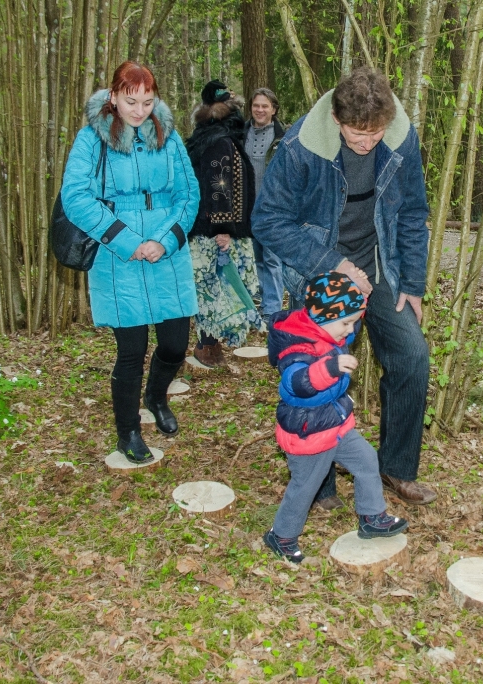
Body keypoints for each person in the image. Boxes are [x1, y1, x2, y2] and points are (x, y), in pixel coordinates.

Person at [253, 67, 435, 506]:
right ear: (337, 119)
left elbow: (412, 211)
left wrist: (412, 282)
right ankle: (320, 482)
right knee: (316, 373)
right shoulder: (300, 148)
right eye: (358, 133)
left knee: (413, 357)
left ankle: (396, 467)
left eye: (375, 133)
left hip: (381, 264)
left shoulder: (401, 137)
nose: (368, 142)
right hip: (320, 273)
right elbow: (267, 221)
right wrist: (332, 263)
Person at [61, 61, 199, 464]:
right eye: (131, 101)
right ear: (113, 97)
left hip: (166, 254)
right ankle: (128, 432)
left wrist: (167, 239)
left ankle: (156, 397)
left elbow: (189, 194)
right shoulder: (91, 140)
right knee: (131, 350)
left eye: (148, 101)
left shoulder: (169, 137)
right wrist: (127, 240)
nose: (139, 111)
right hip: (117, 256)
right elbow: (76, 198)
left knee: (174, 344)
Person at [263, 272, 409, 563]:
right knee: (306, 486)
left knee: (367, 459)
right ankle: (281, 535)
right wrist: (328, 369)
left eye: (352, 321)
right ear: (321, 317)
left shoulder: (329, 328)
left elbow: (346, 325)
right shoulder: (298, 346)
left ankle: (372, 517)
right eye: (345, 323)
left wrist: (361, 299)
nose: (349, 330)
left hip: (335, 424)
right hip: (310, 433)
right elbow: (294, 385)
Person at [185, 80, 264, 367]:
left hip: (208, 229)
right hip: (215, 233)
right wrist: (223, 229)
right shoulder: (219, 140)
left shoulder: (208, 136)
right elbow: (219, 186)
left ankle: (208, 346)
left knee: (214, 289)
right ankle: (207, 348)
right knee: (215, 290)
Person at [244, 87, 287, 318]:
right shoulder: (241, 134)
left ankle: (273, 311)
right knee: (256, 257)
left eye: (265, 106)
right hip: (248, 207)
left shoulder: (284, 137)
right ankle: (261, 305)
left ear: (273, 109)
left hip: (273, 209)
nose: (260, 110)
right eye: (256, 105)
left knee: (272, 258)